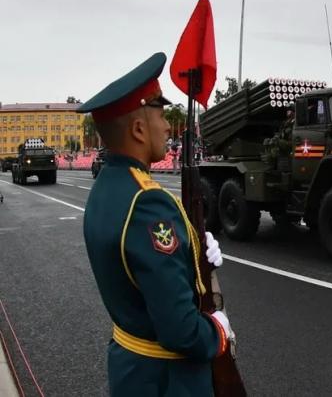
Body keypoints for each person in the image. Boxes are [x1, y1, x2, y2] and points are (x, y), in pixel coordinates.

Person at [77, 53, 230, 396]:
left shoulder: (107, 187)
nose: (166, 126)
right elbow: (180, 330)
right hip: (166, 380)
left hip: (131, 367)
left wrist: (193, 250)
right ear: (138, 129)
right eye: (161, 115)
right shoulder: (148, 202)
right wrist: (217, 332)